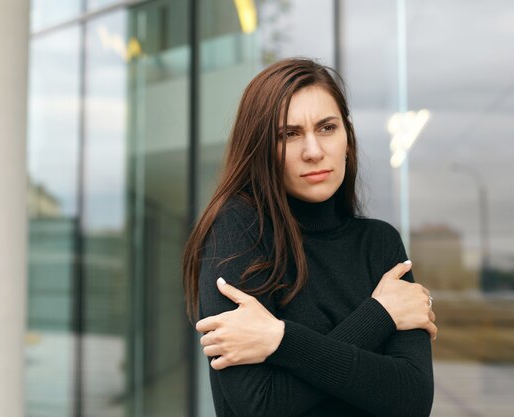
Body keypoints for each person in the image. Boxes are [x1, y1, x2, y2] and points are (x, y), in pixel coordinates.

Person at [182, 58, 437, 417]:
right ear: (260, 148)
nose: (313, 151)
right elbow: (261, 405)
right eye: (289, 134)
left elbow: (411, 399)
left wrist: (278, 341)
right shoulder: (237, 232)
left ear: (347, 138)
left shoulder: (380, 244)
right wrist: (380, 316)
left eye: (327, 128)